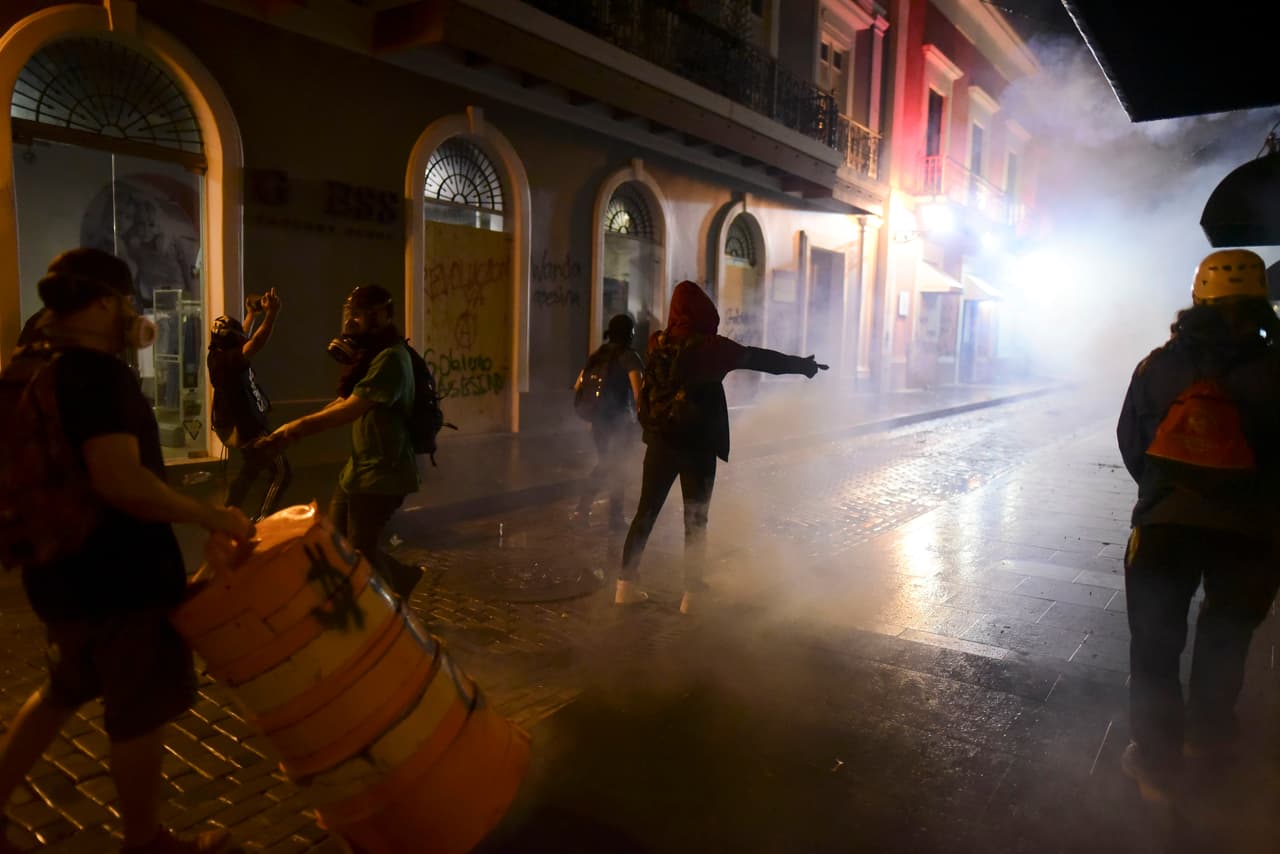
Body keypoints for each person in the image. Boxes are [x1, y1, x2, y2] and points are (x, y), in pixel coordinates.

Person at [0, 248, 254, 854]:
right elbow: (119, 481)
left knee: (62, 690)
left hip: (56, 570)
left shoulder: (31, 365)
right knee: (139, 712)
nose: (135, 315)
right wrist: (208, 513)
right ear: (107, 302)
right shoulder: (95, 374)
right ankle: (145, 840)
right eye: (129, 301)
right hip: (118, 580)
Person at [1116, 248, 1280, 803]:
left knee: (1156, 647)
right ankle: (1207, 742)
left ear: (1197, 300)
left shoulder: (1157, 366)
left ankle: (1156, 766)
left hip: (1165, 527)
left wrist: (1167, 493)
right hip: (1253, 530)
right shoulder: (1276, 369)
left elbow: (1134, 447)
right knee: (1226, 639)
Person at [617, 280, 827, 614]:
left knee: (646, 511)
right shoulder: (712, 347)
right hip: (698, 445)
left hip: (659, 441)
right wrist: (802, 366)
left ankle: (625, 586)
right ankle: (692, 596)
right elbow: (759, 359)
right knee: (695, 519)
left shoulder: (658, 341)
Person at [254, 284, 421, 598]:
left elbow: (350, 410)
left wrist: (294, 429)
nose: (354, 323)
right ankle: (401, 578)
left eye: (363, 316)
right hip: (358, 470)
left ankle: (386, 612)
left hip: (383, 473)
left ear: (385, 315)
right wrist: (287, 432)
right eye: (352, 315)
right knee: (336, 541)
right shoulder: (371, 355)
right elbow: (344, 400)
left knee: (359, 552)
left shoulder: (391, 359)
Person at [207, 288, 291, 520]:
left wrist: (251, 315)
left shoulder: (217, 353)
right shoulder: (230, 360)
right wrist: (272, 314)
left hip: (238, 422)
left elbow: (242, 335)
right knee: (282, 472)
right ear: (230, 339)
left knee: (250, 470)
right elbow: (255, 342)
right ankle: (262, 520)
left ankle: (227, 514)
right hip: (247, 426)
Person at [572, 313, 644, 530]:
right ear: (630, 333)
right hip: (620, 421)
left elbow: (578, 386)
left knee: (608, 463)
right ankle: (606, 515)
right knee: (615, 465)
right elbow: (638, 392)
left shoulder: (598, 355)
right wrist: (641, 417)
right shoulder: (630, 357)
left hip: (598, 421)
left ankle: (594, 511)